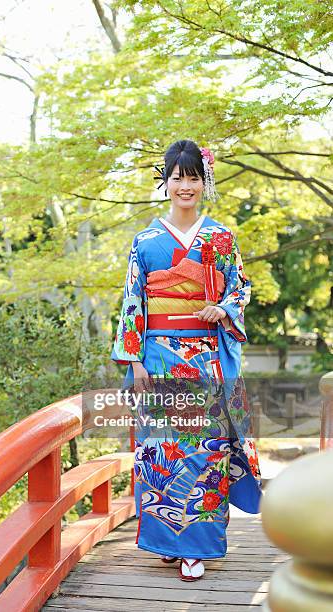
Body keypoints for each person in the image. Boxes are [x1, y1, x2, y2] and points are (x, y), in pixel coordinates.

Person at [111, 139, 262, 581]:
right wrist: (134, 360)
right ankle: (166, 542)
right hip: (157, 354)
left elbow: (241, 287)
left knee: (204, 450)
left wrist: (226, 308)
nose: (185, 186)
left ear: (204, 181)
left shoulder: (221, 238)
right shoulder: (145, 241)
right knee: (160, 450)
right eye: (178, 177)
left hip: (205, 356)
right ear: (166, 182)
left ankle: (195, 547)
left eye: (194, 177)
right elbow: (132, 301)